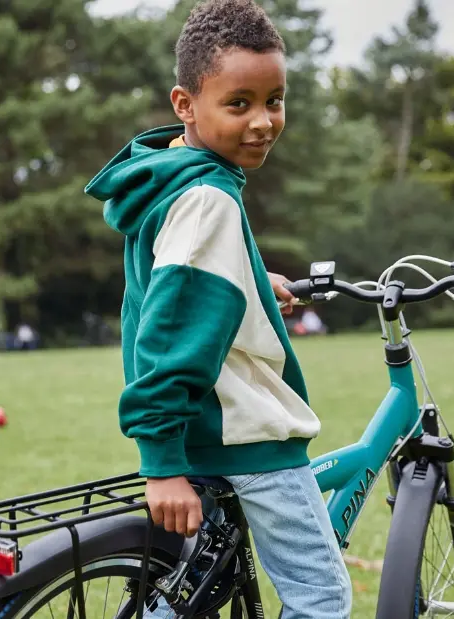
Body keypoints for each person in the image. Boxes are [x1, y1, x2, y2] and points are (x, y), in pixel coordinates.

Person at [85, 1, 352, 616]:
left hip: (202, 432)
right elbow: (173, 330)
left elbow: (179, 282)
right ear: (186, 104)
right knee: (322, 599)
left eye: (275, 100)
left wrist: (255, 282)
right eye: (239, 103)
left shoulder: (173, 178)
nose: (262, 121)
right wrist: (161, 466)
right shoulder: (208, 196)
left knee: (185, 601)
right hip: (245, 436)